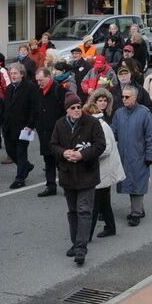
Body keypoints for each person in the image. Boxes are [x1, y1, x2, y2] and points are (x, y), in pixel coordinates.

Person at [50, 96, 105, 265]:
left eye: (78, 107)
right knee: (73, 211)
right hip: (68, 174)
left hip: (87, 173)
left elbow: (100, 145)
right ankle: (75, 243)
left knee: (84, 210)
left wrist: (82, 154)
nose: (76, 110)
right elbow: (53, 145)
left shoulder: (92, 123)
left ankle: (81, 247)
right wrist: (63, 153)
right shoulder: (60, 124)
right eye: (72, 107)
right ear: (67, 110)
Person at [112, 85, 152, 226]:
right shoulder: (119, 113)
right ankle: (139, 209)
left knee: (137, 183)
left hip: (139, 155)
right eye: (122, 96)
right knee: (130, 183)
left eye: (127, 97)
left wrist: (150, 155)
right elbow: (114, 133)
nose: (123, 99)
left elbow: (150, 136)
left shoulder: (144, 113)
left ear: (135, 98)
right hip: (124, 155)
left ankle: (135, 213)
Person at [84, 89, 123, 237]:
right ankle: (111, 228)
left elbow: (105, 149)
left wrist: (87, 155)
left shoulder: (100, 125)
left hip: (103, 169)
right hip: (102, 168)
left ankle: (86, 235)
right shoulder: (98, 123)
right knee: (104, 201)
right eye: (99, 100)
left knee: (95, 203)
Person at [31, 68, 68, 197]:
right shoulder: (38, 91)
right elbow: (35, 110)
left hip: (58, 133)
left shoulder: (59, 90)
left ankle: (67, 186)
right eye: (37, 80)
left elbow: (67, 111)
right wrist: (33, 125)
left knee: (61, 161)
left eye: (41, 80)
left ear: (48, 77)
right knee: (48, 160)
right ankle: (50, 186)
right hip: (44, 133)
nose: (39, 83)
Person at [1, 65, 35, 188]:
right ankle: (26, 166)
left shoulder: (30, 87)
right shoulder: (10, 88)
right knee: (10, 150)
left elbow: (33, 108)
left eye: (15, 73)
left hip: (23, 127)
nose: (13, 75)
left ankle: (20, 178)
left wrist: (30, 125)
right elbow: (6, 106)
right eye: (11, 73)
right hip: (9, 126)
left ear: (22, 74)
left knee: (21, 153)